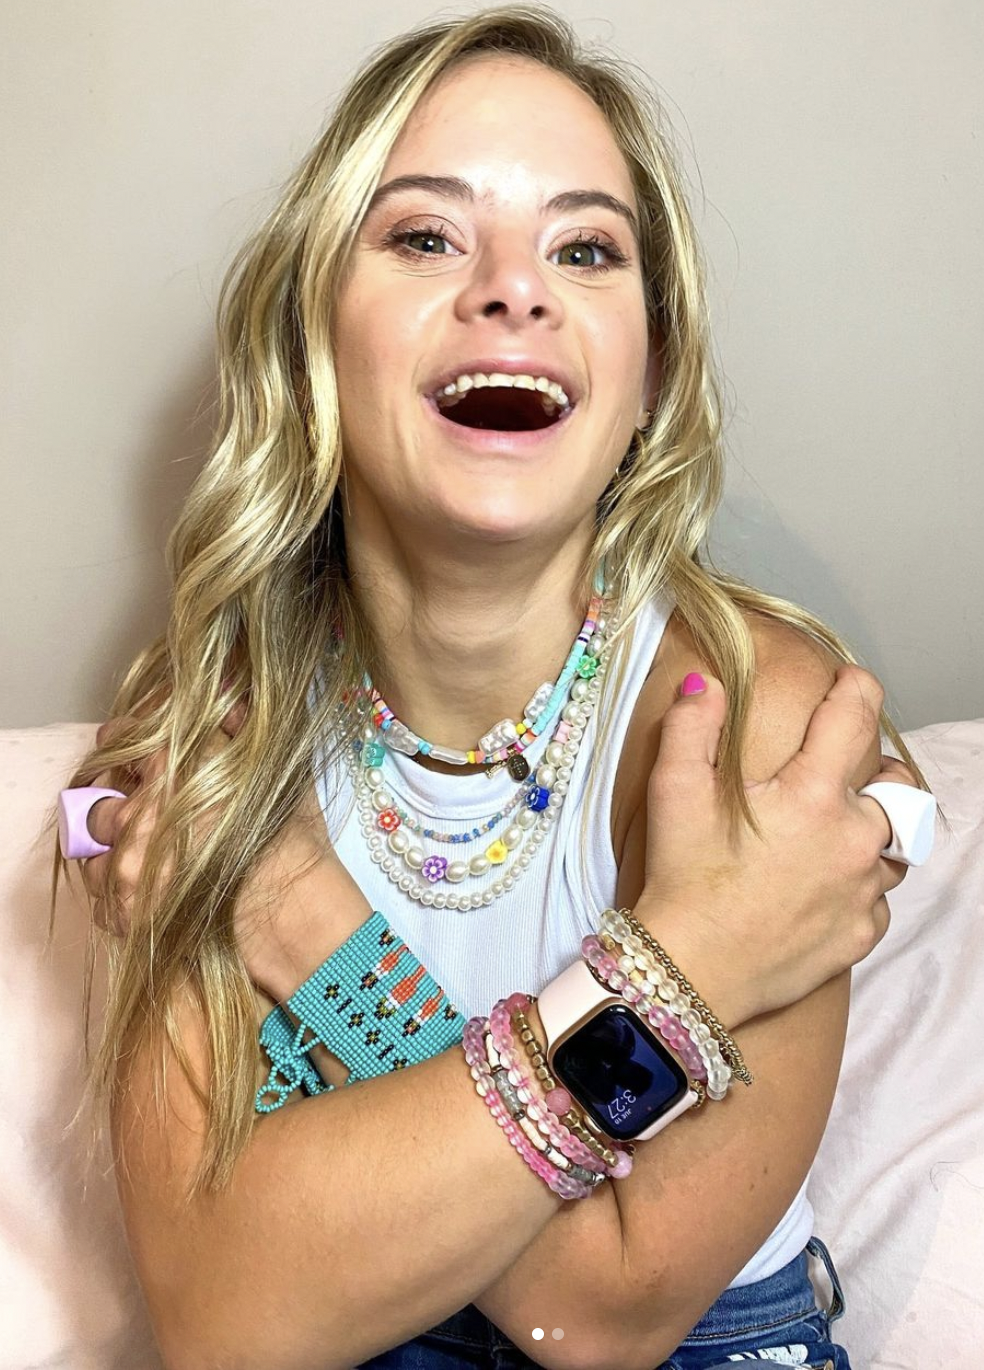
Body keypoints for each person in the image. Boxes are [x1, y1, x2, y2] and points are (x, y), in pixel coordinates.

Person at [54, 8, 938, 1369]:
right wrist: (693, 964)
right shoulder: (195, 747)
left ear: (650, 375)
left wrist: (305, 924)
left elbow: (605, 1311)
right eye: (424, 236)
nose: (514, 289)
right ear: (313, 337)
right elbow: (225, 1322)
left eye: (585, 249)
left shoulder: (759, 715)